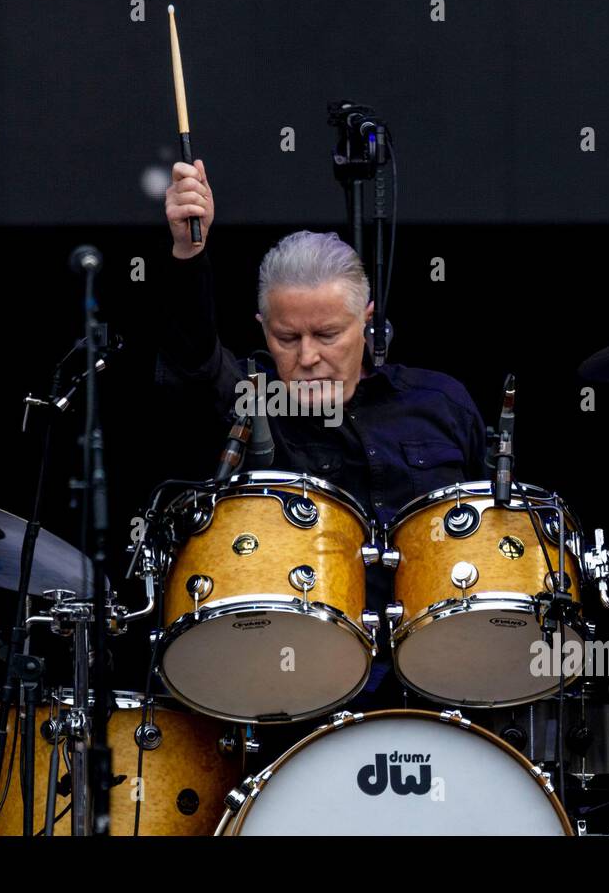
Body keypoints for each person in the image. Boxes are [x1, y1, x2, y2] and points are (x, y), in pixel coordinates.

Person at [155, 158, 489, 706]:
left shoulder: (441, 402)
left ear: (368, 322)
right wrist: (189, 253)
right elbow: (192, 359)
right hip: (296, 681)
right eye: (288, 338)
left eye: (328, 334)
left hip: (440, 678)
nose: (308, 357)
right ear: (264, 328)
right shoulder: (253, 396)